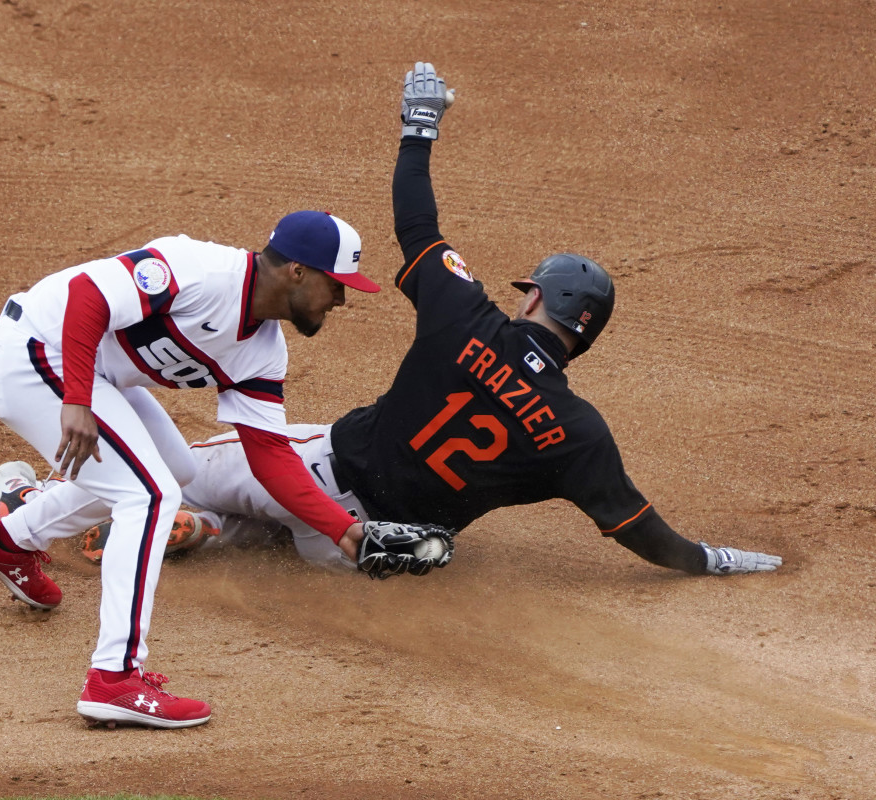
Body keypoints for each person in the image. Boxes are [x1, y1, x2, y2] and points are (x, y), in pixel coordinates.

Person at [168, 63, 782, 578]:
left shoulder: (464, 316)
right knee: (295, 535)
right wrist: (712, 559)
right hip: (381, 550)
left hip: (322, 472)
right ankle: (209, 533)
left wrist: (419, 129)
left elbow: (415, 225)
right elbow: (640, 530)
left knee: (190, 474)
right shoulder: (579, 433)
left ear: (535, 298)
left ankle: (190, 517)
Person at [0, 210, 449, 730]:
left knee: (176, 468)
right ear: (298, 272)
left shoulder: (262, 350)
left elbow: (270, 455)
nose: (342, 300)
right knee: (147, 498)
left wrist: (344, 532)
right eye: (337, 284)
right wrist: (77, 398)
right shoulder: (199, 269)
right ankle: (114, 679)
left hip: (95, 375)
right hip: (33, 352)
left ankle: (8, 540)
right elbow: (88, 294)